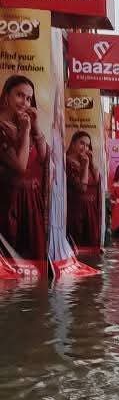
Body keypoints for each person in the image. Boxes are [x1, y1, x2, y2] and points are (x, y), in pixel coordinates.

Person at [0, 75, 49, 263]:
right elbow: (20, 166)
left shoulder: (24, 124)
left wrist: (35, 127)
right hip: (9, 203)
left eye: (29, 98)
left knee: (34, 268)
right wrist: (26, 131)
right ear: (6, 97)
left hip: (32, 204)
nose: (25, 102)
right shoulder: (3, 127)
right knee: (10, 267)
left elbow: (44, 158)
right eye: (20, 95)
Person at [66, 130, 102, 249]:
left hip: (90, 212)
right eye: (82, 143)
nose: (85, 148)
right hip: (76, 212)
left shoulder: (86, 161)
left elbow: (97, 181)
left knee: (92, 251)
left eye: (87, 145)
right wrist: (85, 166)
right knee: (78, 248)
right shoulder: (67, 162)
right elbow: (82, 187)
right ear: (73, 143)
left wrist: (91, 163)